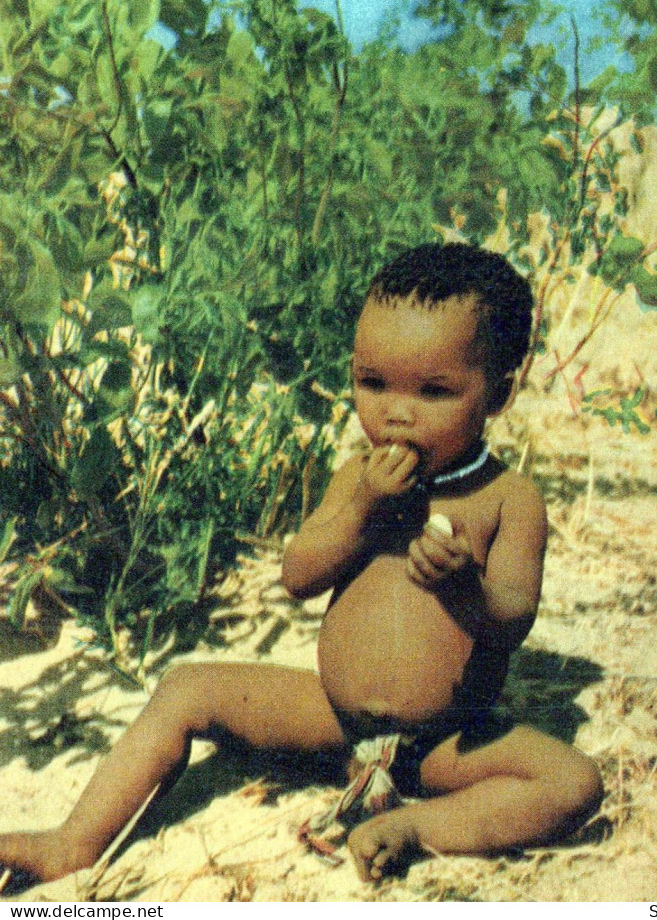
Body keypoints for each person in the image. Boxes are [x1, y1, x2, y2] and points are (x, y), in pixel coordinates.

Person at [0, 242, 602, 887]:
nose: (396, 410)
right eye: (372, 382)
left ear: (499, 393)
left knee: (573, 782)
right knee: (186, 689)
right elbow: (299, 575)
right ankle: (73, 842)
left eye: (434, 391)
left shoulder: (509, 498)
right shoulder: (356, 478)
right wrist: (363, 508)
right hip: (332, 719)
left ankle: (417, 828)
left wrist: (465, 589)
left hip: (443, 742)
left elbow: (512, 617)